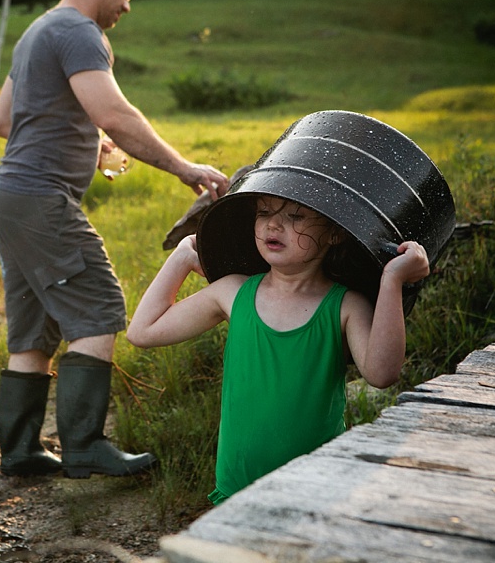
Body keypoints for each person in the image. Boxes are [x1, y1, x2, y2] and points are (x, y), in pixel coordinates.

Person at [0, 0, 230, 479]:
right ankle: (83, 446)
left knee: (33, 330)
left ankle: (22, 451)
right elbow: (115, 113)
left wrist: (81, 134)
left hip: (8, 194)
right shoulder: (78, 32)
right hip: (39, 195)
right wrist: (185, 168)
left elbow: (5, 119)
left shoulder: (36, 31)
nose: (127, 6)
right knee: (98, 305)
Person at [126, 194, 430, 504]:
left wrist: (392, 279)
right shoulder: (233, 292)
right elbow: (143, 331)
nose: (274, 224)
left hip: (314, 485)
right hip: (237, 484)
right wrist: (182, 257)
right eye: (264, 212)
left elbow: (381, 373)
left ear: (334, 233)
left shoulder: (345, 306)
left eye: (296, 217)